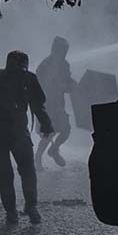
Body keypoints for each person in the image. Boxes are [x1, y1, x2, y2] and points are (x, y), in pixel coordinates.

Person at [0, 51, 53, 225]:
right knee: (5, 174)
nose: (17, 74)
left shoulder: (29, 80)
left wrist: (46, 123)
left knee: (28, 171)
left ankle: (31, 206)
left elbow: (37, 105)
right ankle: (11, 211)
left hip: (19, 134)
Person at [35, 37, 76, 168]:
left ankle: (54, 150)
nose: (64, 53)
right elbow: (38, 84)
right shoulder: (44, 65)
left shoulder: (65, 65)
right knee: (49, 132)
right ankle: (37, 158)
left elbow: (67, 81)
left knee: (66, 130)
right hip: (46, 104)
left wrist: (72, 85)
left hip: (59, 104)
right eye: (62, 50)